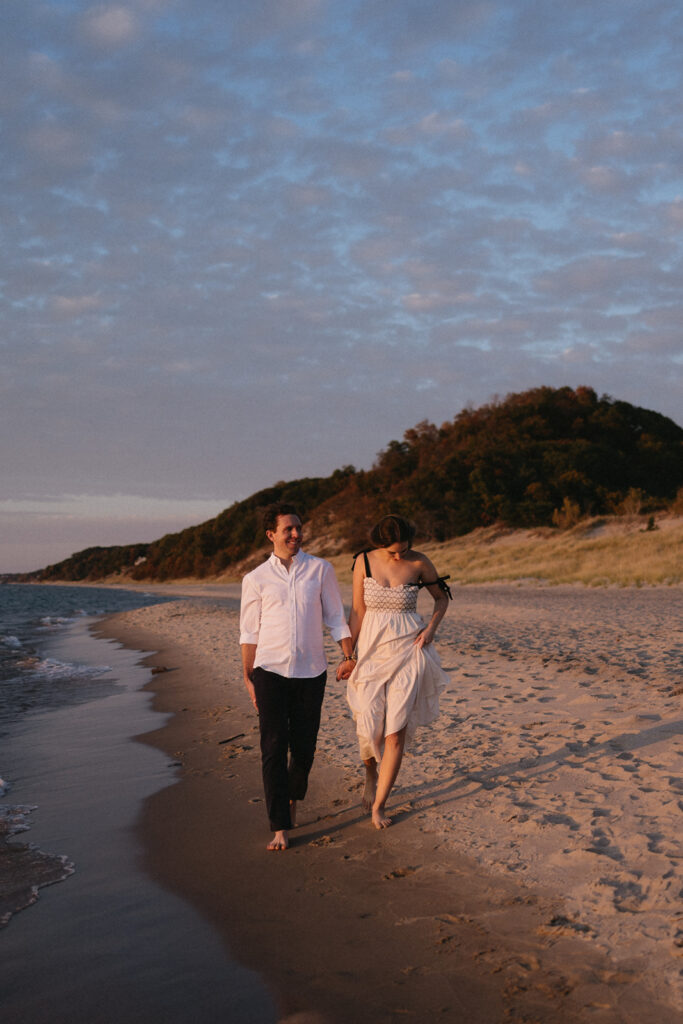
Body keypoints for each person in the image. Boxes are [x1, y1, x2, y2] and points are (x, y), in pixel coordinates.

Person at [240, 503, 354, 851]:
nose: (295, 534)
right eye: (288, 529)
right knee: (273, 747)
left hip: (311, 672)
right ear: (271, 534)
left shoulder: (320, 570)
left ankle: (293, 795)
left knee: (304, 748)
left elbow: (335, 617)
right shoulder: (256, 578)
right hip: (269, 671)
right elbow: (249, 632)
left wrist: (348, 655)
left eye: (298, 528)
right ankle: (279, 825)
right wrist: (248, 677)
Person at [338, 514, 450, 829]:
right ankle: (371, 773)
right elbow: (358, 610)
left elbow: (441, 599)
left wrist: (430, 630)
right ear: (380, 544)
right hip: (372, 651)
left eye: (403, 549)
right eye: (393, 551)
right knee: (369, 724)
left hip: (409, 650)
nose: (399, 556)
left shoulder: (420, 563)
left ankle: (379, 805)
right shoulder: (364, 561)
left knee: (395, 731)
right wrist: (349, 655)